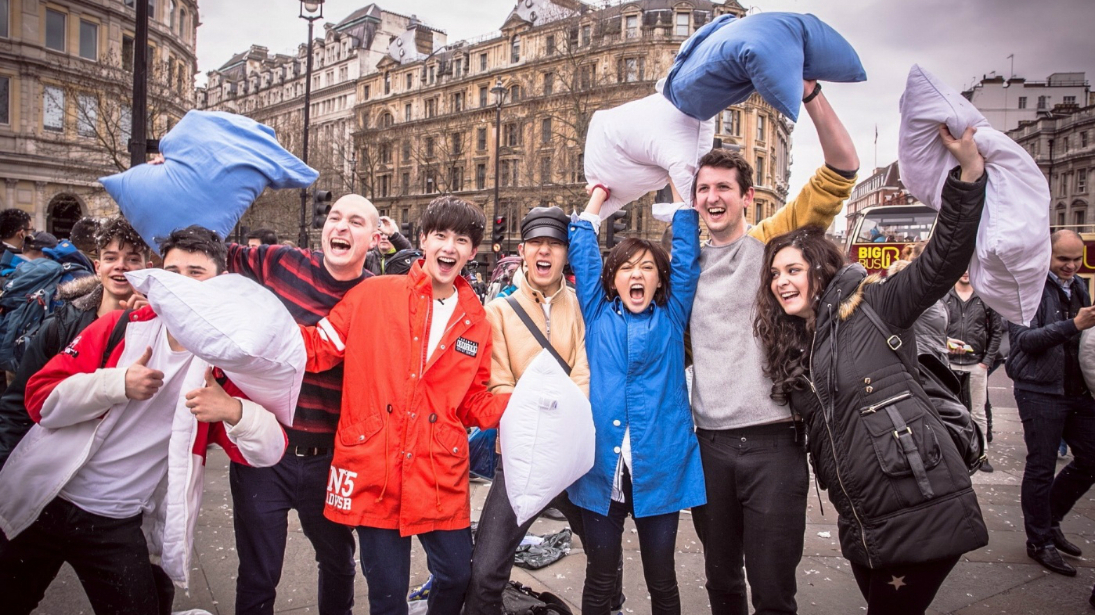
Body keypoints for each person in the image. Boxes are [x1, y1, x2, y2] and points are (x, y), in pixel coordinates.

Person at [754, 125, 989, 615]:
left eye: (793, 269)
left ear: (819, 270)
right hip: (862, 517)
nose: (781, 281)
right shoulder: (798, 341)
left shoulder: (875, 305)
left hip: (919, 506)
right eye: (775, 274)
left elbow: (942, 262)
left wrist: (968, 176)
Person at [0, 225, 287, 614]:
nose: (181, 284)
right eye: (172, 272)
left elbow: (269, 451)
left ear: (220, 282)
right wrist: (114, 383)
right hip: (47, 499)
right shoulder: (121, 327)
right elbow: (39, 400)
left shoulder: (226, 364)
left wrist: (234, 411)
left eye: (195, 273)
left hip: (114, 524)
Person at [688, 78, 859, 615]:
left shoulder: (771, 244)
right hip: (707, 448)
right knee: (721, 586)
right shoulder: (681, 267)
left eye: (724, 188)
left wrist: (810, 94)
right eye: (704, 189)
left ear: (748, 196)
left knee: (772, 591)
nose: (713, 198)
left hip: (774, 445)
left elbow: (842, 167)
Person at [299, 195, 510, 615]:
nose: (449, 248)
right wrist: (243, 335)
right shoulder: (373, 294)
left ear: (473, 251)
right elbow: (315, 348)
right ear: (423, 240)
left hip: (437, 471)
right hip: (376, 467)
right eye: (440, 236)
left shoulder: (476, 321)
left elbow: (472, 401)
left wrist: (519, 405)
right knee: (387, 593)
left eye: (462, 240)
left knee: (455, 574)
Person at [223, 194, 381, 615]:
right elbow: (209, 252)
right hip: (263, 456)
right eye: (334, 217)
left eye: (355, 222)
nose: (341, 227)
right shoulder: (282, 263)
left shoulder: (377, 298)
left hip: (330, 461)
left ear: (375, 239)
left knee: (337, 563)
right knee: (258, 572)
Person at [567, 184, 703, 615]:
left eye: (647, 267)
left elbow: (686, 260)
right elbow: (584, 252)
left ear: (659, 278)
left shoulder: (672, 313)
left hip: (659, 467)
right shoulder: (596, 310)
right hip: (600, 471)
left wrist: (680, 189)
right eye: (626, 267)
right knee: (600, 579)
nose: (637, 275)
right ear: (613, 279)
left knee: (661, 579)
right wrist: (598, 196)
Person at [466, 206, 598, 614]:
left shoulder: (579, 306)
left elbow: (584, 369)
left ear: (565, 254)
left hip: (573, 459)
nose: (545, 252)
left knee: (604, 557)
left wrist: (566, 424)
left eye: (555, 244)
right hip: (521, 458)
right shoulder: (499, 312)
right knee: (486, 572)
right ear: (522, 250)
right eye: (537, 243)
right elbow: (500, 381)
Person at [0, 217, 152, 470]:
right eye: (111, 258)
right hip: (56, 466)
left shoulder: (161, 327)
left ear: (146, 267)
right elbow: (19, 404)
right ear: (97, 266)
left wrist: (153, 320)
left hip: (120, 474)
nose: (121, 267)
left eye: (132, 259)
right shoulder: (61, 324)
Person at [1006, 228, 1095, 577]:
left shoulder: (1080, 287)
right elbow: (1025, 340)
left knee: (1090, 458)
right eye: (1064, 259)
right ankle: (1039, 540)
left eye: (1077, 259)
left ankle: (1051, 518)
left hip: (1077, 390)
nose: (1071, 266)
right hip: (1039, 390)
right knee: (1041, 466)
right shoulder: (1025, 288)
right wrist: (1073, 324)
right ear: (1047, 255)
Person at [944, 268, 1003, 472]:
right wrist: (945, 345)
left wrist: (986, 361)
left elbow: (997, 332)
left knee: (978, 411)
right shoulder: (945, 296)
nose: (966, 272)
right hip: (949, 362)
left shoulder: (985, 297)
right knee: (948, 410)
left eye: (970, 268)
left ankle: (982, 454)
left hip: (976, 363)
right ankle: (952, 454)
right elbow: (937, 328)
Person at [888, 259, 949, 363]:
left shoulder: (930, 293)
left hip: (933, 355)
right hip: (923, 359)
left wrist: (945, 341)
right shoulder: (916, 297)